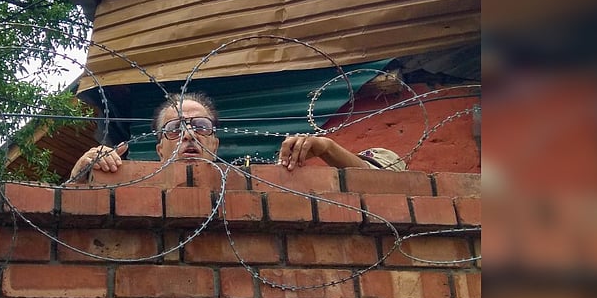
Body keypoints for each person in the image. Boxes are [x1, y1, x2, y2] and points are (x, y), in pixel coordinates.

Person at [69, 92, 404, 180]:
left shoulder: (253, 181)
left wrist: (327, 148)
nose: (189, 135)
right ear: (159, 148)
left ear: (215, 142)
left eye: (200, 126)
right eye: (175, 129)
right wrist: (82, 173)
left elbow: (390, 181)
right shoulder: (128, 186)